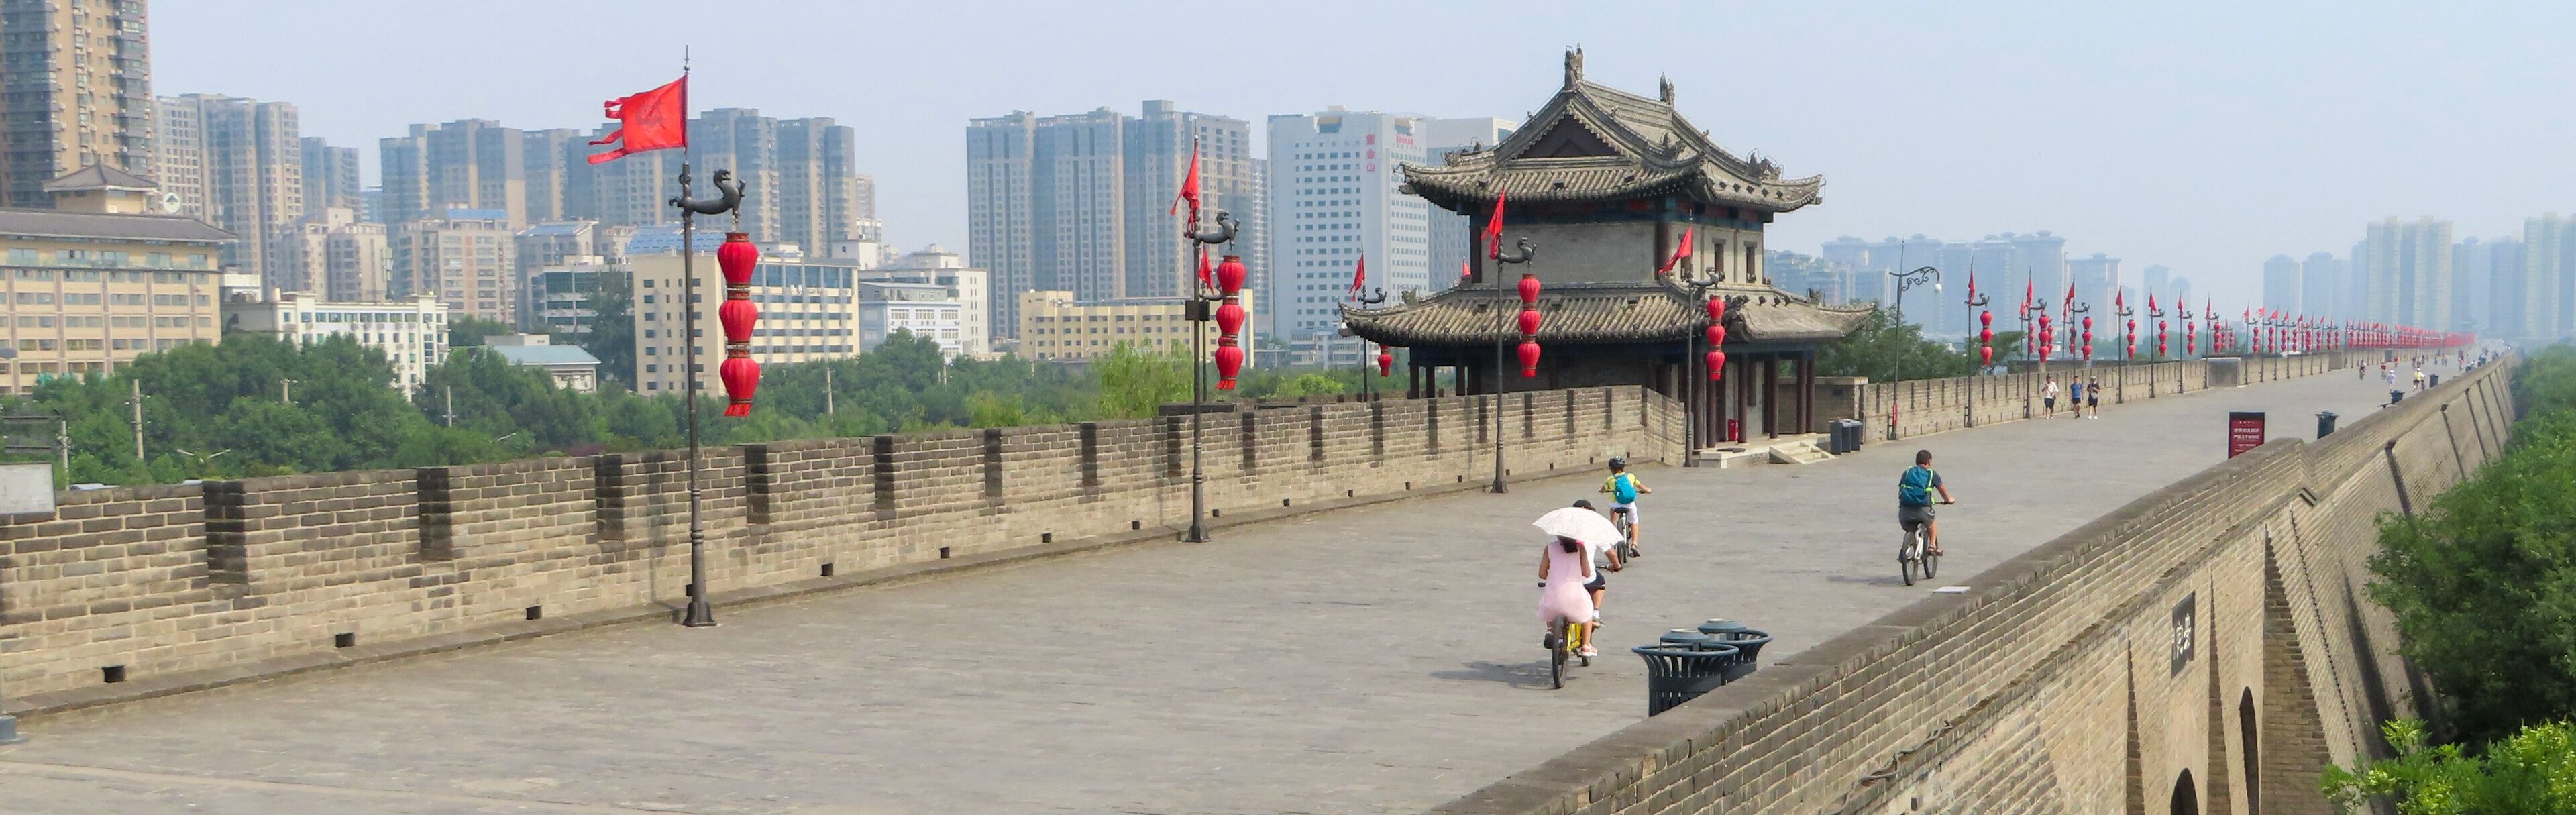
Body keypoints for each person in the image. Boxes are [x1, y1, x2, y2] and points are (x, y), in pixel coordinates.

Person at [1566, 499, 1623, 657]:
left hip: (1565, 579)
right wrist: (1616, 566)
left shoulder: (1564, 534)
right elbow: (1612, 554)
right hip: (1587, 577)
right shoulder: (1595, 532)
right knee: (1600, 583)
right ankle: (1595, 613)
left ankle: (1553, 630)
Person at [1537, 533, 1595, 653]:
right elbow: (1586, 573)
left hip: (1553, 602)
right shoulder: (1580, 549)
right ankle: (1586, 644)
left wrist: (1554, 577)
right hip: (1575, 601)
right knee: (1589, 609)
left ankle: (1551, 629)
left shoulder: (1549, 548)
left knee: (1550, 602)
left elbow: (1542, 574)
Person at [1898, 449, 1955, 556]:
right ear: (1929, 462)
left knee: (1910, 529)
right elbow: (1943, 491)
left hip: (1904, 512)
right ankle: (1932, 545)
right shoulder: (1932, 474)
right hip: (1923, 510)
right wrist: (1949, 500)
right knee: (1932, 521)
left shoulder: (1907, 472)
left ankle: (1908, 549)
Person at [1599, 457, 1652, 554]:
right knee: (1634, 521)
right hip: (1629, 504)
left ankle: (1614, 531)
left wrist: (1601, 490)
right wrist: (1647, 490)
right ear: (1623, 467)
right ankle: (1634, 544)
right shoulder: (1630, 476)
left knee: (1613, 511)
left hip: (1616, 505)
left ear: (1611, 469)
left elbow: (1603, 489)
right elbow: (1644, 488)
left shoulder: (1611, 479)